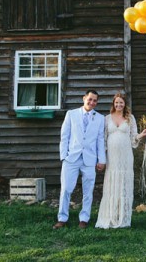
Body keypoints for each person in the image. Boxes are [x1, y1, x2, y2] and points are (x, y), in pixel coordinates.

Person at [54, 89, 106, 229]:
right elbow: (64, 136)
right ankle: (62, 218)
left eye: (95, 100)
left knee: (88, 191)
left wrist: (102, 160)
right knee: (66, 189)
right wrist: (64, 156)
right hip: (71, 158)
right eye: (90, 99)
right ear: (84, 98)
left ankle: (84, 219)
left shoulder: (100, 118)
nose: (92, 102)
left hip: (90, 159)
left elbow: (100, 141)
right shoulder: (71, 114)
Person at [95, 92, 146, 229]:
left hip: (125, 156)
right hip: (112, 157)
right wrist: (102, 157)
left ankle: (123, 217)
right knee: (112, 184)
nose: (119, 105)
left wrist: (141, 135)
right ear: (113, 104)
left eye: (121, 102)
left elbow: (133, 137)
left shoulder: (130, 118)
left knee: (124, 184)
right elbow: (103, 139)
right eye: (116, 102)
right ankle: (110, 217)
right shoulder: (107, 118)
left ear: (125, 104)